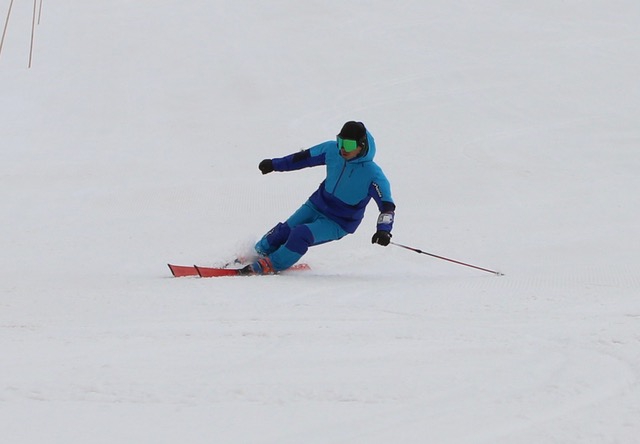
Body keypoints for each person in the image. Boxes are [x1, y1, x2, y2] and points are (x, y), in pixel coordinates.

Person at [240, 121, 395, 275]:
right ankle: (258, 252)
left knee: (301, 234)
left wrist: (383, 230)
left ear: (361, 146)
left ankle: (271, 264)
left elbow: (387, 207)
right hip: (316, 205)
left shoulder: (373, 175)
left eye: (348, 145)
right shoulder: (331, 150)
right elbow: (302, 158)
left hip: (339, 221)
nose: (342, 148)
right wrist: (275, 164)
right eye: (340, 142)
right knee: (283, 231)